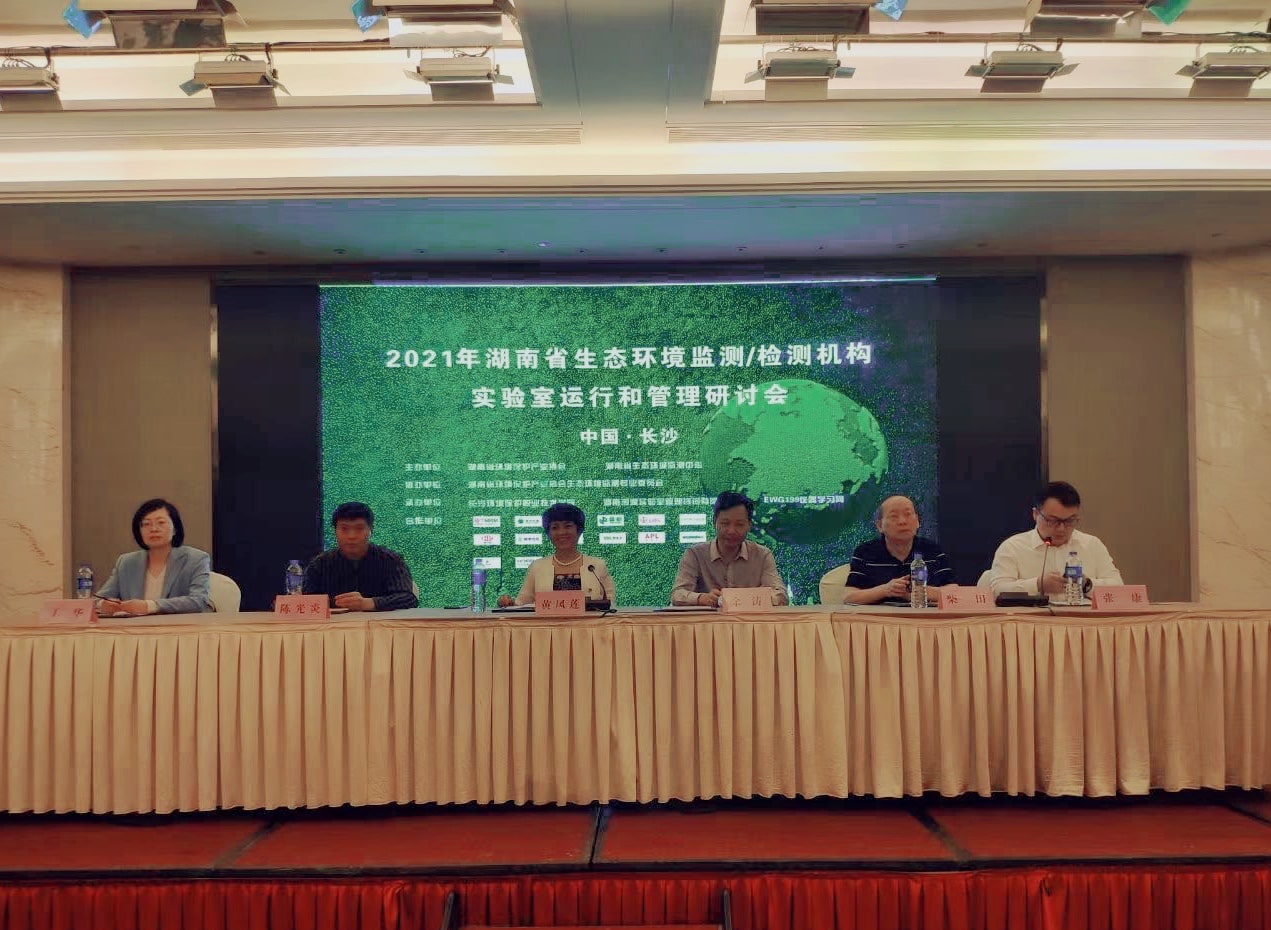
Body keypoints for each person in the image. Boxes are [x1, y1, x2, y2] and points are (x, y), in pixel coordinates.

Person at [988, 480, 1123, 598]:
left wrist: (1086, 584)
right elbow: (996, 591)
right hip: (1032, 619)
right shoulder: (1013, 547)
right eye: (1053, 521)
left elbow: (1119, 589)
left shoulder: (1091, 545)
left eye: (1070, 521)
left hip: (1082, 618)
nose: (1061, 529)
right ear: (1035, 514)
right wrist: (1038, 585)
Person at [671, 491, 788, 607]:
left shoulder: (762, 555)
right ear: (714, 522)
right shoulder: (694, 554)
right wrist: (701, 598)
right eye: (725, 523)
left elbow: (780, 596)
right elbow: (677, 595)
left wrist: (743, 598)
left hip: (748, 619)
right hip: (709, 619)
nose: (731, 531)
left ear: (749, 525)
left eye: (739, 524)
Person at [95, 498, 211, 615]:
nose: (154, 529)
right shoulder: (126, 562)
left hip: (178, 626)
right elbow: (98, 599)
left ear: (175, 529)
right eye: (146, 524)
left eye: (161, 523)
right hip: (134, 626)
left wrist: (149, 606)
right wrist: (103, 604)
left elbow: (199, 601)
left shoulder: (196, 559)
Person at [303, 501, 418, 611]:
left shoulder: (391, 560)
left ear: (371, 530)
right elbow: (306, 602)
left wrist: (370, 603)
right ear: (335, 531)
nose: (351, 536)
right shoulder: (319, 565)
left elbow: (408, 598)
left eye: (359, 528)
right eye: (344, 529)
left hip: (379, 624)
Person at [497, 502, 616, 608]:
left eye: (568, 526)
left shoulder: (597, 566)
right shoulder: (537, 567)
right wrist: (508, 603)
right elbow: (521, 604)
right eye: (555, 527)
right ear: (548, 533)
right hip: (547, 626)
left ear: (579, 530)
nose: (561, 532)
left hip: (587, 626)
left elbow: (610, 605)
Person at [843, 495, 954, 605]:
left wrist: (920, 592)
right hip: (880, 615)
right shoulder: (865, 552)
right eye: (894, 516)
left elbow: (954, 592)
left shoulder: (932, 550)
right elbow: (849, 597)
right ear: (880, 525)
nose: (902, 521)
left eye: (908, 514)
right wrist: (886, 590)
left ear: (917, 521)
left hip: (923, 615)